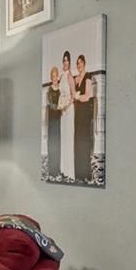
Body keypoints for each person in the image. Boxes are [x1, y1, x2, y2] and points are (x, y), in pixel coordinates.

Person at [73, 55, 96, 180]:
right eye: (77, 63)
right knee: (77, 142)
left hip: (85, 113)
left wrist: (77, 97)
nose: (79, 65)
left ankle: (86, 174)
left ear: (84, 63)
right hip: (77, 114)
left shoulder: (88, 76)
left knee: (85, 142)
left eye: (80, 62)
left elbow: (87, 96)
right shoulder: (76, 79)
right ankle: (78, 174)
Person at [58, 51, 76, 179]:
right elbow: (61, 94)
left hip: (69, 110)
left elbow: (73, 96)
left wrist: (66, 106)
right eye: (63, 60)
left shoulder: (70, 77)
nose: (65, 62)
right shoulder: (61, 76)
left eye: (67, 60)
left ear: (70, 62)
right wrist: (60, 106)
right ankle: (63, 169)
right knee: (63, 138)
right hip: (63, 111)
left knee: (69, 137)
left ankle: (70, 171)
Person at [46, 66, 61, 178]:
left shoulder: (60, 89)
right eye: (52, 76)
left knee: (58, 144)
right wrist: (60, 107)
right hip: (52, 120)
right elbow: (50, 105)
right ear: (51, 78)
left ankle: (57, 169)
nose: (54, 78)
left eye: (56, 76)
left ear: (58, 76)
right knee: (52, 144)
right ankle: (52, 171)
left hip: (60, 119)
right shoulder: (49, 90)